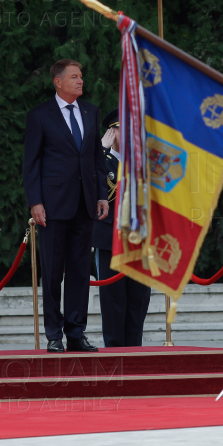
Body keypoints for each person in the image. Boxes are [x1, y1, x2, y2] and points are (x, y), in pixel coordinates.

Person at [23, 59, 108, 353]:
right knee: (53, 272)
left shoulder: (91, 112)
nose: (80, 80)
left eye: (81, 76)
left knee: (79, 271)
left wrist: (101, 195)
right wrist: (35, 201)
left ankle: (76, 332)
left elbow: (96, 158)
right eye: (74, 77)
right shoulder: (40, 116)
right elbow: (31, 164)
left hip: (85, 204)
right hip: (53, 206)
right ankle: (54, 335)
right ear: (57, 82)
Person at [93, 109, 151, 348]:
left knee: (138, 300)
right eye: (122, 129)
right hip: (110, 240)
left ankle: (135, 352)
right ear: (112, 132)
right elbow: (86, 182)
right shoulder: (101, 159)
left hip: (140, 239)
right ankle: (115, 354)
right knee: (113, 301)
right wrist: (99, 150)